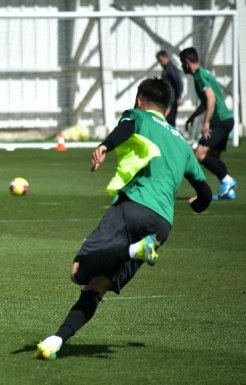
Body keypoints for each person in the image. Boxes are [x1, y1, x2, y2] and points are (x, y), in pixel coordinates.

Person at [35, 78, 212, 360]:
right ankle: (56, 340)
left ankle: (133, 249)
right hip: (162, 225)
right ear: (167, 110)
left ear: (139, 101)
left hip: (132, 207)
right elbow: (205, 193)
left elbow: (125, 128)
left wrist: (105, 147)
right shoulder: (181, 143)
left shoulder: (138, 116)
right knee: (99, 285)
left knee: (79, 272)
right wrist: (196, 204)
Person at [179, 47, 237, 200]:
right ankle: (228, 191)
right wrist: (193, 117)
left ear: (186, 63)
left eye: (181, 63)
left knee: (199, 154)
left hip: (220, 122)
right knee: (214, 158)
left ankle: (227, 180)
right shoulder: (202, 74)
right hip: (225, 120)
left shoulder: (200, 76)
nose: (181, 67)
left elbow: (211, 99)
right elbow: (206, 102)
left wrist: (205, 124)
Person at [155, 50, 183, 127]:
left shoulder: (170, 68)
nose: (160, 63)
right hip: (168, 99)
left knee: (170, 120)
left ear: (165, 57)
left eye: (161, 60)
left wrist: (179, 96)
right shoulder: (166, 68)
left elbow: (178, 82)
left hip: (172, 100)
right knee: (166, 119)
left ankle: (172, 137)